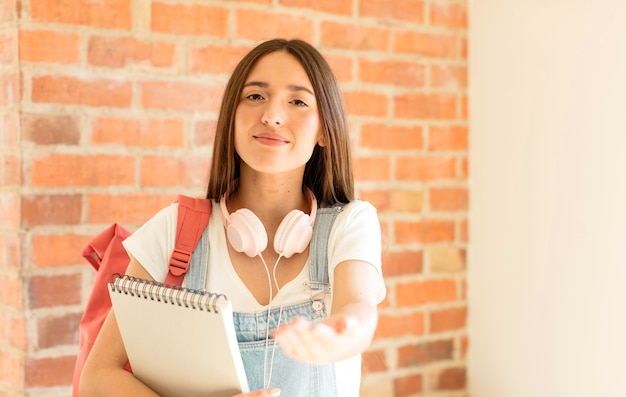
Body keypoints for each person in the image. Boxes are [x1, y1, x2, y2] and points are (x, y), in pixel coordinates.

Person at [79, 38, 386, 397]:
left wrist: (340, 333)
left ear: (324, 130)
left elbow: (358, 308)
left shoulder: (350, 224)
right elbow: (97, 377)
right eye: (255, 96)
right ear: (232, 116)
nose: (272, 114)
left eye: (298, 101)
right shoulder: (175, 230)